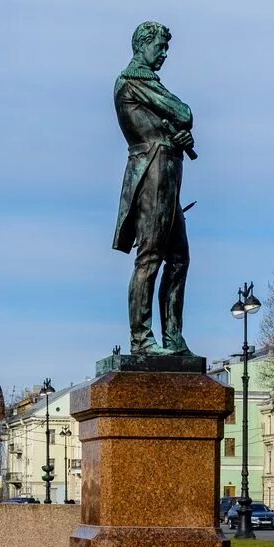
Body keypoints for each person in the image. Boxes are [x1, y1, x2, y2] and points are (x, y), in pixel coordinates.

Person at [113, 20, 196, 357]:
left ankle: (173, 337)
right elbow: (183, 113)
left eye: (166, 49)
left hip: (168, 173)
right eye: (159, 47)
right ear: (142, 45)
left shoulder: (148, 85)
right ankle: (142, 340)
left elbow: (171, 128)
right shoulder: (133, 81)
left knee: (179, 259)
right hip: (152, 174)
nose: (163, 54)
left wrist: (179, 138)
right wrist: (178, 128)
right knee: (150, 257)